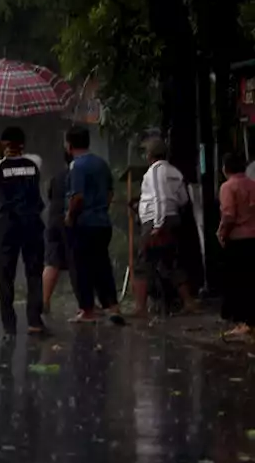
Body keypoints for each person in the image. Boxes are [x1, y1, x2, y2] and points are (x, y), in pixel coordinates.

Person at [0, 126, 47, 336]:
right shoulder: (34, 162)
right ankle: (34, 321)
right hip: (32, 224)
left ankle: (9, 326)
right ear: (23, 145)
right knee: (34, 273)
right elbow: (31, 166)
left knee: (6, 274)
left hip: (8, 226)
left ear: (3, 144)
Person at [131, 136, 198, 316]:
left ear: (150, 154)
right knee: (171, 262)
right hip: (173, 217)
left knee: (143, 262)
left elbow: (159, 197)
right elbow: (183, 198)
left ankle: (140, 308)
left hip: (156, 221)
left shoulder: (155, 171)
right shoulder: (174, 172)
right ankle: (189, 301)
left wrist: (158, 224)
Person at [64, 126, 120, 322]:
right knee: (102, 265)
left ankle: (87, 310)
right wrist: (102, 207)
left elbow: (77, 196)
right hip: (102, 223)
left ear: (69, 145)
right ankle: (113, 307)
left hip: (84, 223)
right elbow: (110, 192)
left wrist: (70, 216)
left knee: (82, 267)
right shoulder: (101, 164)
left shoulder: (76, 166)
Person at [218, 151, 255, 336]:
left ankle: (243, 323)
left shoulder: (227, 187)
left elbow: (229, 215)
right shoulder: (253, 184)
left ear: (225, 169)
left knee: (238, 281)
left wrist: (222, 233)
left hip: (238, 240)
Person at [42, 150, 74, 315]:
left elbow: (50, 196)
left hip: (54, 220)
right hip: (71, 221)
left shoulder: (56, 177)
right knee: (80, 262)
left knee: (52, 262)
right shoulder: (79, 175)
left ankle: (45, 301)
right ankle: (87, 306)